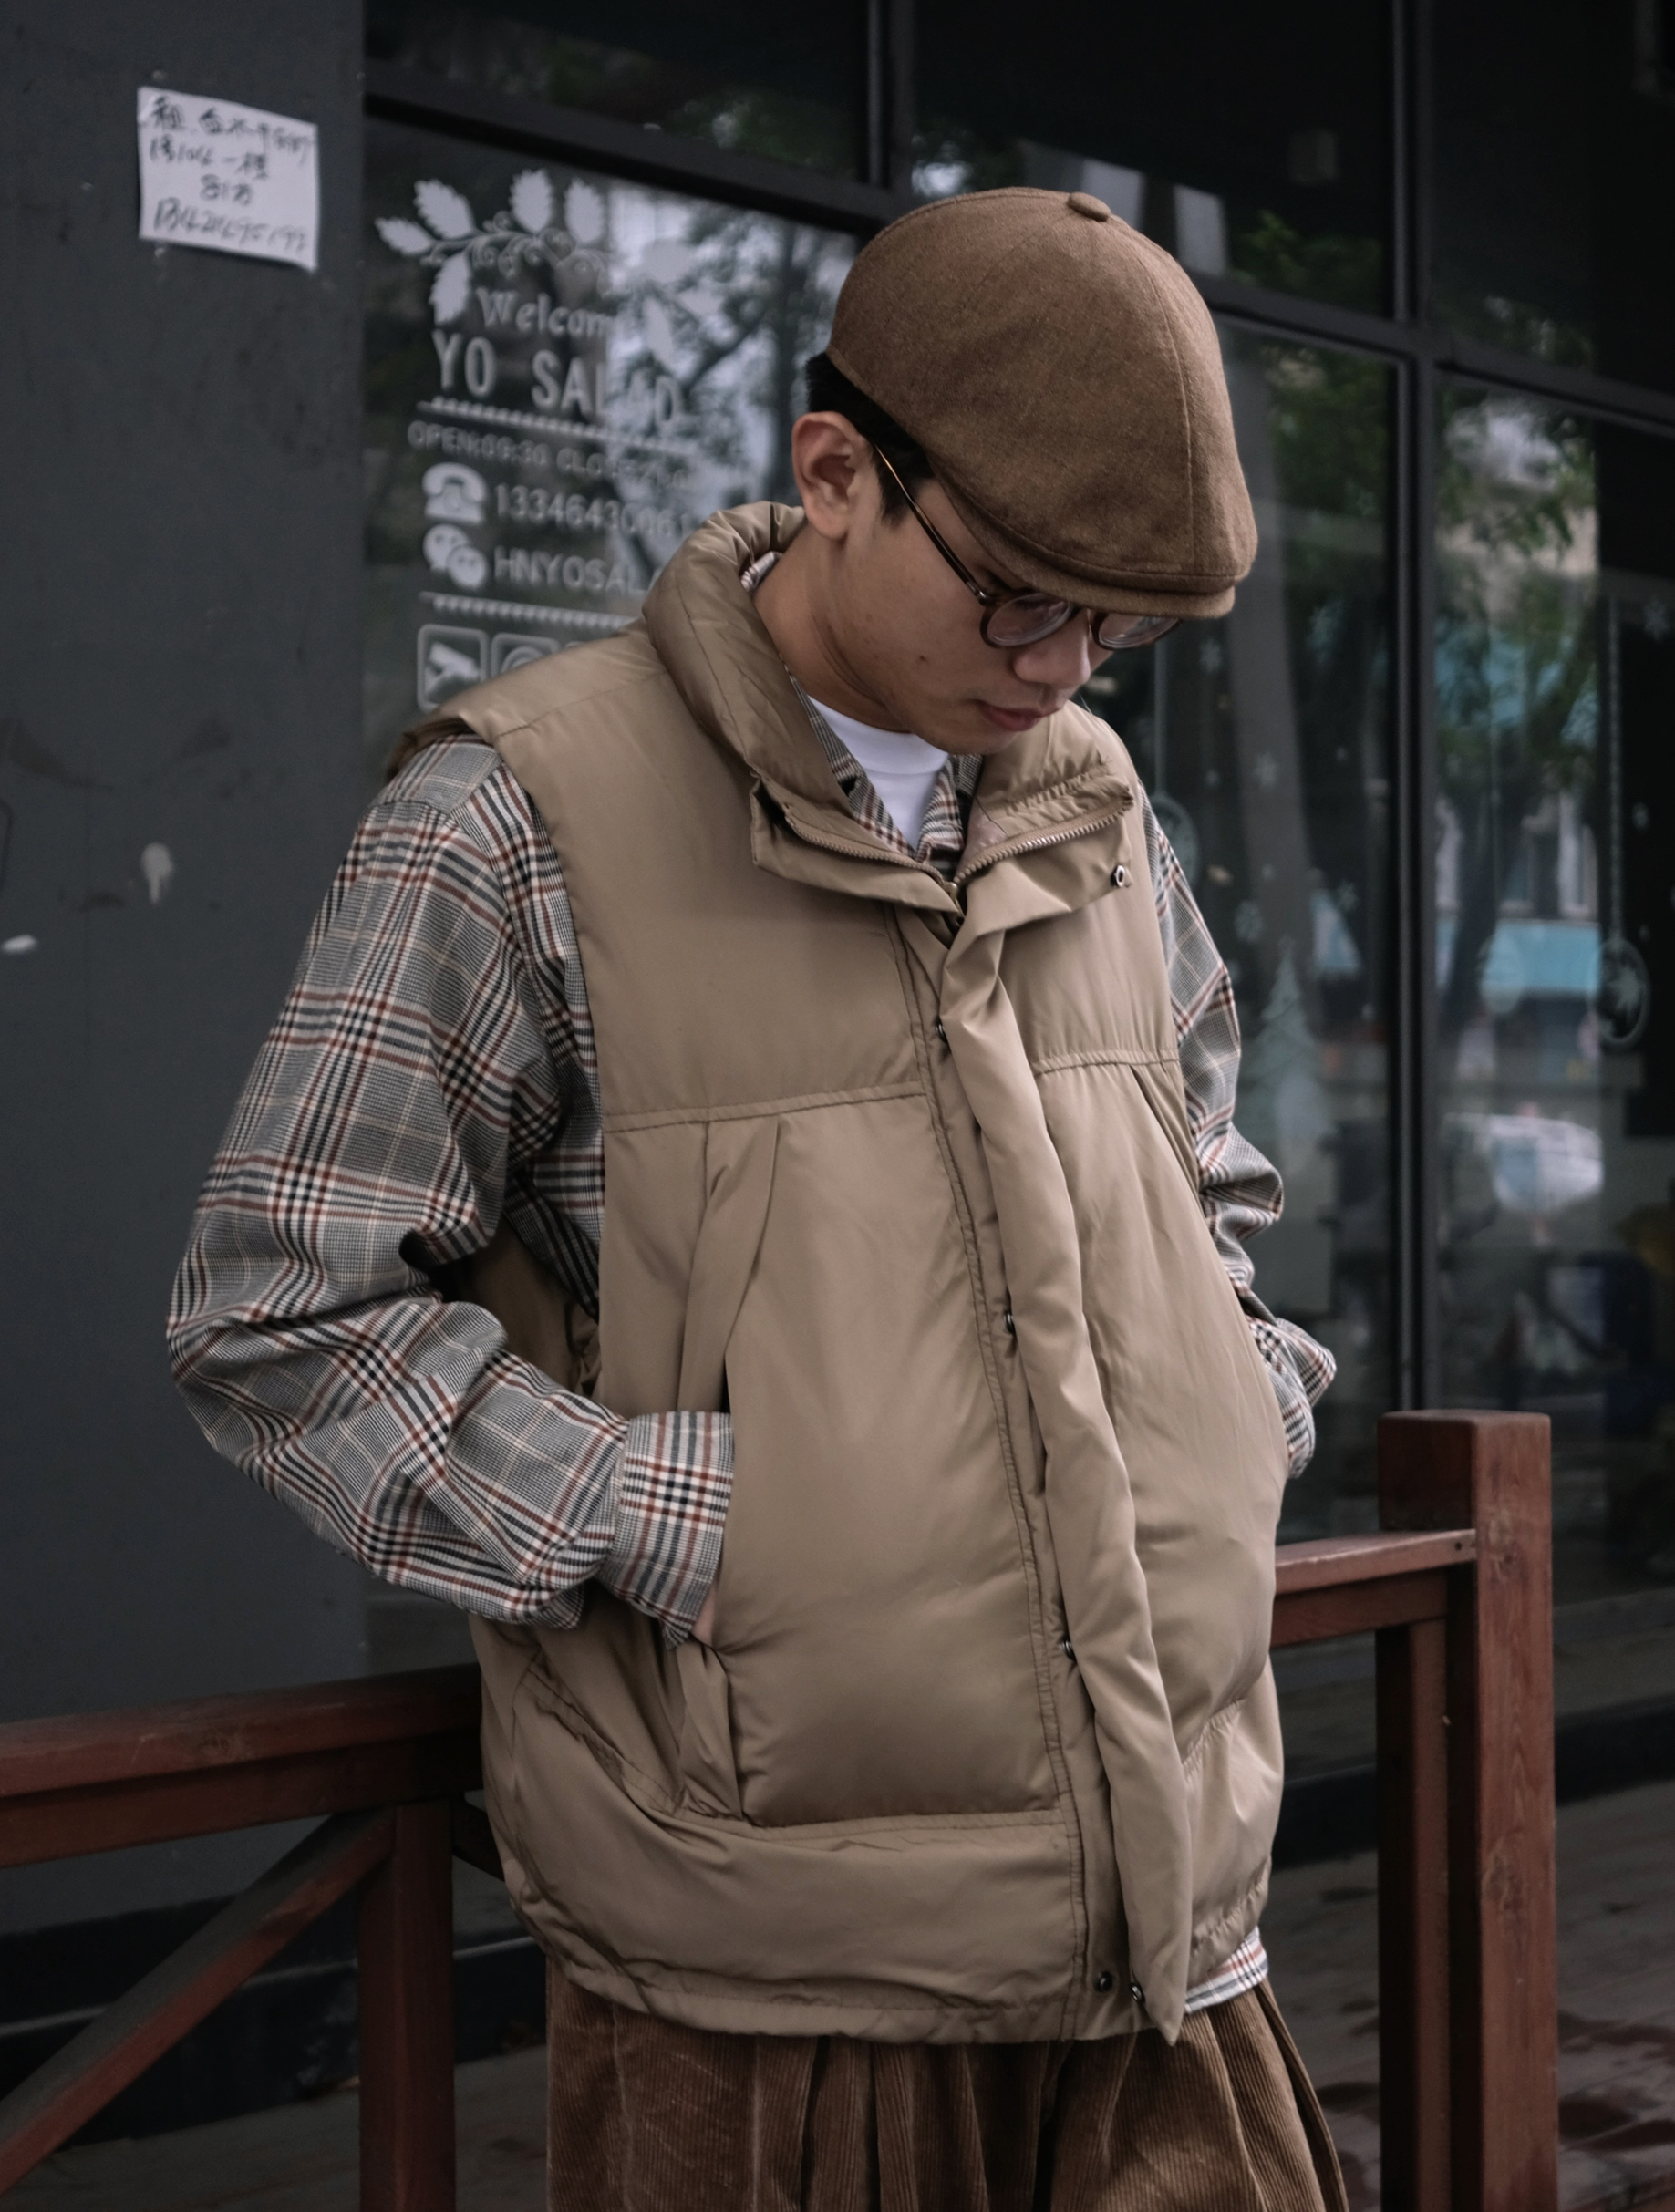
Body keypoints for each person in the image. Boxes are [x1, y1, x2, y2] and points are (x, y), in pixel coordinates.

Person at [170, 188, 1346, 2210]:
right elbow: (281, 1312)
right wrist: (690, 1519)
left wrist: (1236, 1418)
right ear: (833, 472)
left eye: (1120, 627)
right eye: (1020, 598)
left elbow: (1204, 1181)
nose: (1064, 667)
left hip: (1181, 1940)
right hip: (780, 1986)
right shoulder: (515, 815)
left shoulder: (1095, 808)